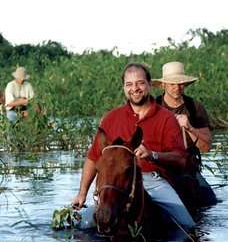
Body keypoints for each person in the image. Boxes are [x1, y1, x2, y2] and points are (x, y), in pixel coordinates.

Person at [72, 63, 195, 229]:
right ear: (124, 87)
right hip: (117, 182)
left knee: (187, 226)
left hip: (153, 181)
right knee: (83, 224)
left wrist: (153, 155)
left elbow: (180, 159)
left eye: (140, 83)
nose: (134, 89)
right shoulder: (111, 118)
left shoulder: (166, 118)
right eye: (129, 84)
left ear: (149, 84)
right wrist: (82, 193)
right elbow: (94, 158)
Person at [152, 61, 217, 206]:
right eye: (172, 84)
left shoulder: (195, 107)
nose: (177, 87)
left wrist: (189, 128)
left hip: (188, 166)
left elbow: (206, 147)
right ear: (163, 85)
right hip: (162, 164)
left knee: (210, 201)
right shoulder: (154, 106)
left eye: (181, 83)